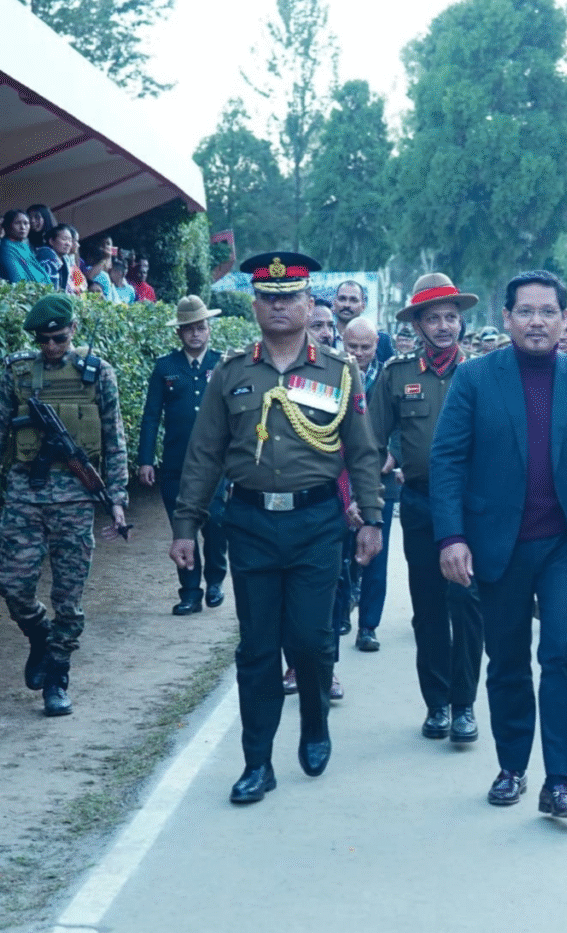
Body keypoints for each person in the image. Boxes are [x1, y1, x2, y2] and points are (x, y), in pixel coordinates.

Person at [169, 252, 383, 806]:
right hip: (253, 524)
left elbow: (361, 451)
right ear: (256, 306)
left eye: (291, 296)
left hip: (316, 524)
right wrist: (185, 525)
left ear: (309, 303)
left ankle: (314, 723)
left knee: (311, 641)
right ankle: (257, 763)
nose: (280, 305)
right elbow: (204, 455)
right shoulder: (232, 373)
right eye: (270, 297)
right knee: (257, 648)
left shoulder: (339, 371)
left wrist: (371, 518)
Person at [430, 269, 567, 819]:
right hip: (500, 543)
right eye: (526, 311)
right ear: (507, 318)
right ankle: (512, 766)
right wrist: (451, 536)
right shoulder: (475, 380)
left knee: (563, 649)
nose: (538, 321)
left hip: (565, 543)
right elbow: (447, 460)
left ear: (566, 320)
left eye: (549, 312)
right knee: (507, 659)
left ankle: (559, 780)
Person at [0, 294, 129, 716]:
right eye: (43, 339)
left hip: (74, 498)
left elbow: (114, 438)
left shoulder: (97, 373)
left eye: (57, 337)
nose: (51, 346)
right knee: (13, 586)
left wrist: (118, 499)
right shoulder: (17, 374)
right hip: (24, 492)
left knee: (68, 598)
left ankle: (57, 674)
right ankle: (39, 634)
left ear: (72, 330)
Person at [369, 273, 485, 744]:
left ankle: (465, 705)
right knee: (429, 607)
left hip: (473, 507)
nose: (443, 326)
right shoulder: (397, 374)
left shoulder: (482, 372)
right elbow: (370, 440)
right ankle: (436, 704)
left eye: (451, 317)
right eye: (433, 318)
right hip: (418, 503)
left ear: (461, 321)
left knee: (468, 604)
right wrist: (375, 485)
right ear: (417, 324)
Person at [138, 296, 228, 615]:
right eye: (188, 329)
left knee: (216, 521)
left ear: (209, 330)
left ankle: (216, 579)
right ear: (179, 333)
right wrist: (145, 459)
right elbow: (151, 416)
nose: (195, 334)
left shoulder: (222, 364)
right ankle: (190, 591)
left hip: (216, 464)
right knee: (182, 527)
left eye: (200, 328)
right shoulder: (166, 367)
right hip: (176, 464)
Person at [342, 317, 400, 652]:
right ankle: (342, 609)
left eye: (366, 347)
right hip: (340, 479)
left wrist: (394, 454)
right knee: (342, 552)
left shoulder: (391, 374)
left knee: (376, 553)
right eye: (353, 346)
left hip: (381, 480)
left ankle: (368, 626)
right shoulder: (331, 371)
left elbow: (406, 422)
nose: (360, 353)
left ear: (376, 346)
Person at [333, 280, 394, 360]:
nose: (347, 305)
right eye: (342, 299)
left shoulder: (382, 342)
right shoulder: (325, 338)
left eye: (353, 300)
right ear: (334, 303)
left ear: (363, 306)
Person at [0, 210, 52, 284]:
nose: (23, 227)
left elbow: (41, 273)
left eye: (26, 223)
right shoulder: (5, 249)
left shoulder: (24, 247)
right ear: (7, 226)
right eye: (17, 223)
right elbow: (17, 280)